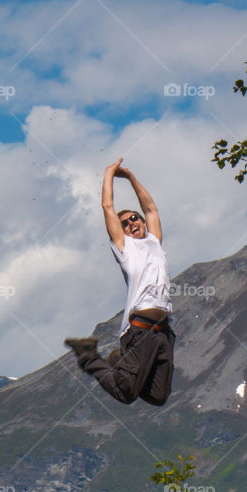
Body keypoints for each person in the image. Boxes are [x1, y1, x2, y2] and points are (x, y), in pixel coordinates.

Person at [65, 159, 175, 407]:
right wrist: (109, 173)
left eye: (134, 219)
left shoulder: (155, 242)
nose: (131, 223)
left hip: (164, 333)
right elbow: (107, 206)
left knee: (158, 397)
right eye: (124, 223)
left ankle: (122, 364)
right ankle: (88, 356)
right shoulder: (125, 249)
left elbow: (151, 209)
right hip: (140, 330)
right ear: (121, 231)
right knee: (126, 395)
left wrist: (131, 178)